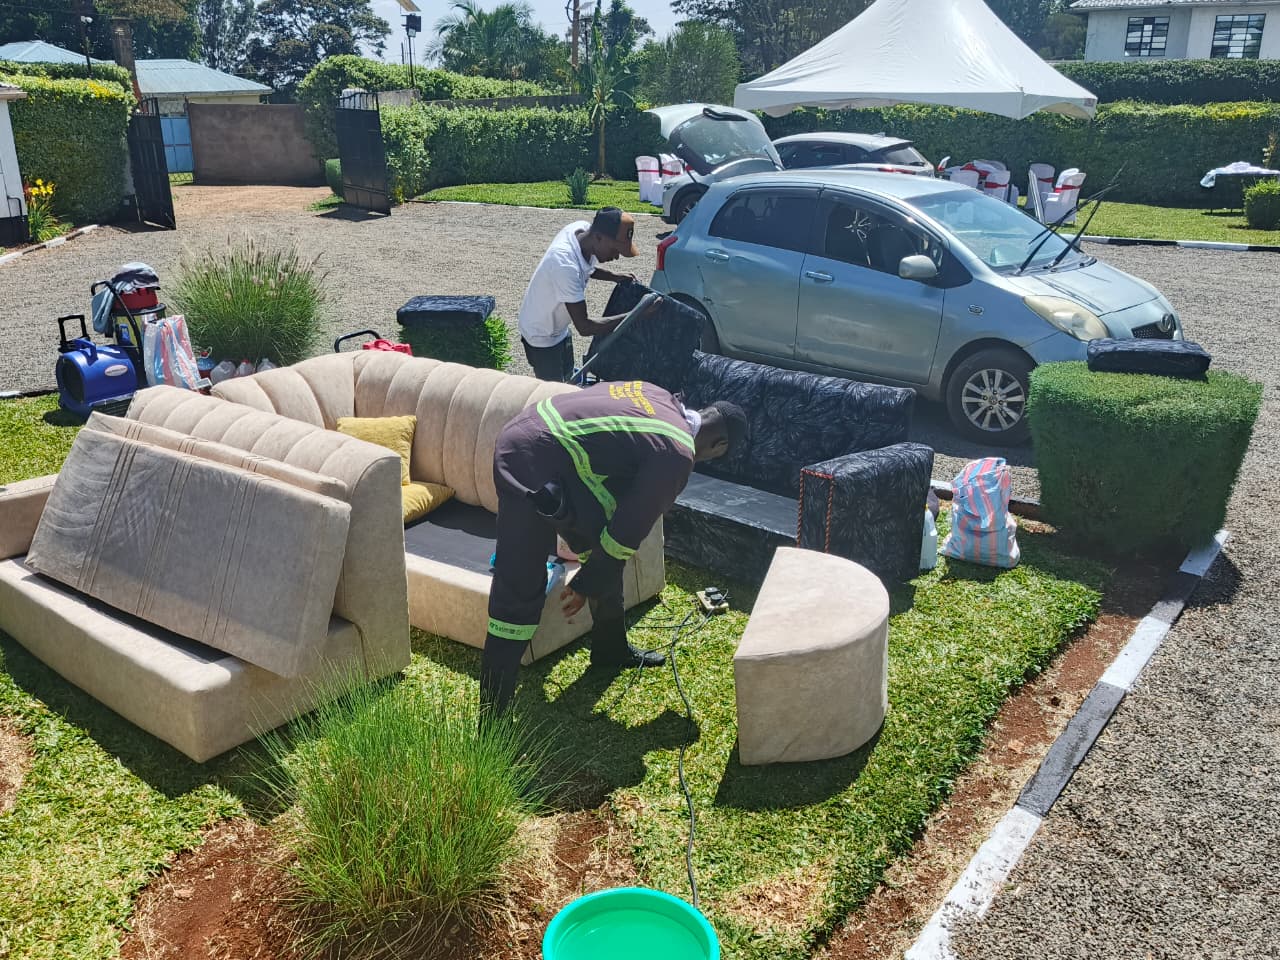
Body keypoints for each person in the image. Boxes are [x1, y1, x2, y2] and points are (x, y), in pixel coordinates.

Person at [480, 380, 750, 715]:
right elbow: (628, 532)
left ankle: (610, 650)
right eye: (715, 455)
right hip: (530, 458)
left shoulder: (659, 395)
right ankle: (492, 720)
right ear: (719, 444)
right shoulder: (677, 452)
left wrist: (594, 566)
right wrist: (584, 584)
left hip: (540, 437)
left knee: (603, 546)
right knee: (518, 588)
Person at [517, 207, 642, 382]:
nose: (616, 257)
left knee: (569, 380)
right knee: (553, 397)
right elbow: (585, 327)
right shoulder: (564, 264)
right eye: (615, 250)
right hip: (541, 337)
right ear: (598, 237)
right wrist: (636, 316)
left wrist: (615, 277)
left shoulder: (581, 231)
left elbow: (586, 268)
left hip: (559, 330)